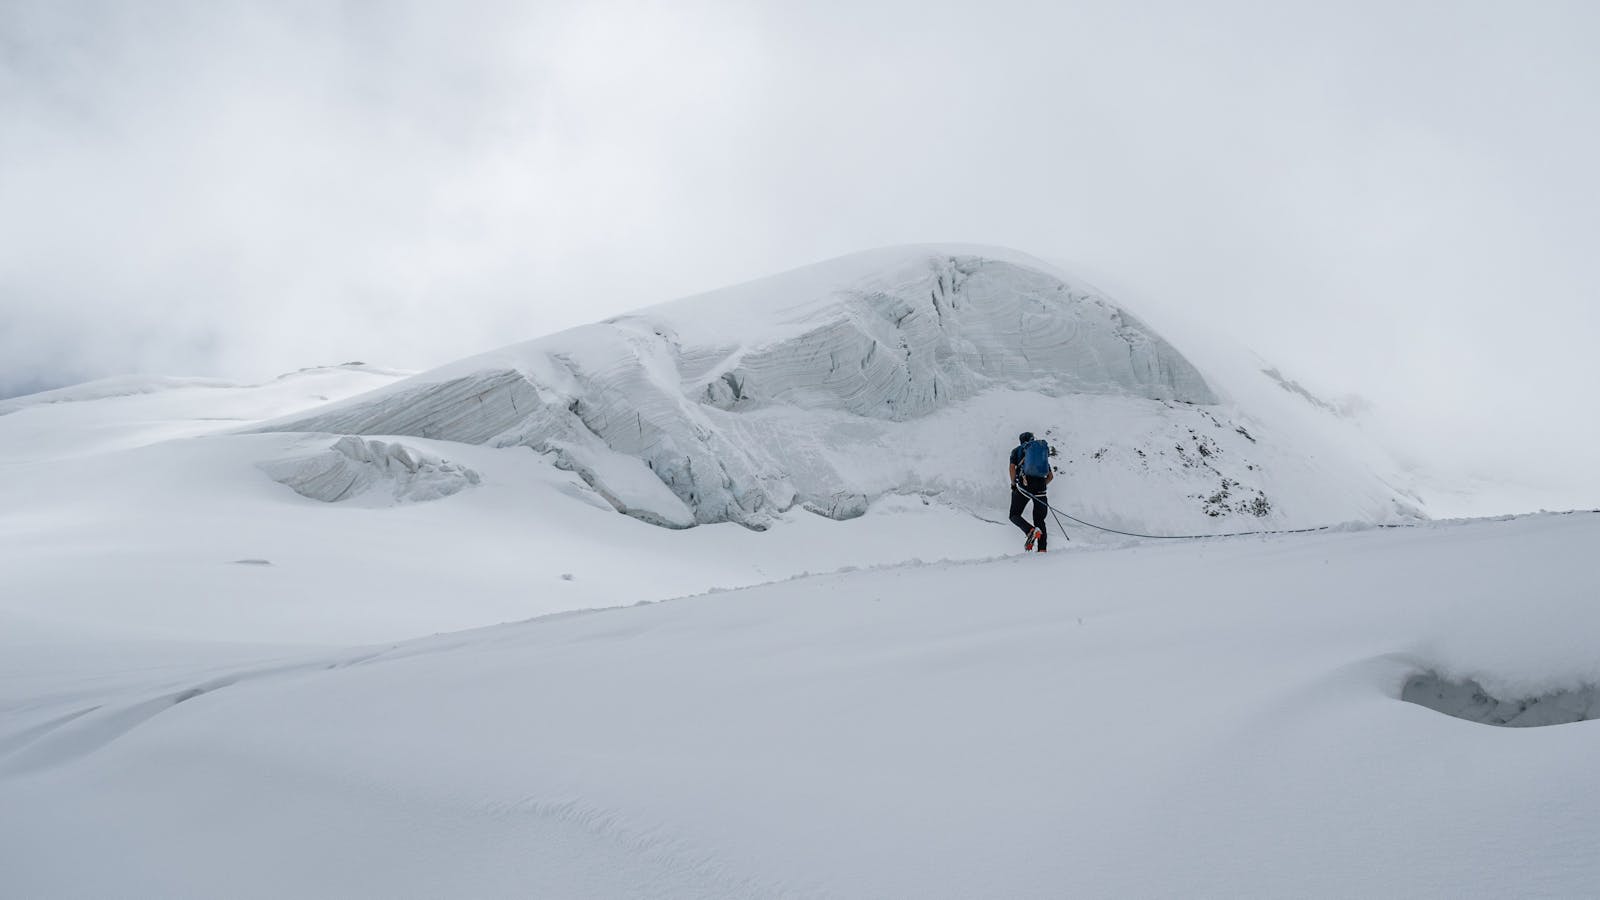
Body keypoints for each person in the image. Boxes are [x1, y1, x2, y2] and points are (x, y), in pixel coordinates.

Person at [1008, 431, 1052, 552]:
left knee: (1014, 514)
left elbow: (1012, 468)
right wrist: (1041, 486)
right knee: (1039, 520)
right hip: (1041, 488)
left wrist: (1013, 484)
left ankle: (1030, 530)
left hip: (1024, 487)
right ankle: (1042, 549)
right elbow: (1050, 476)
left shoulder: (1017, 450)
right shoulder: (1040, 453)